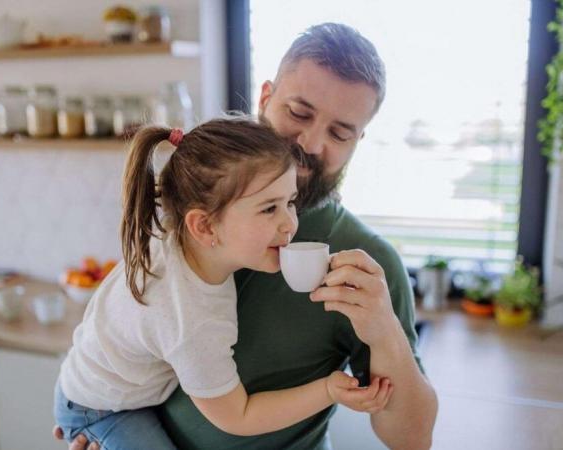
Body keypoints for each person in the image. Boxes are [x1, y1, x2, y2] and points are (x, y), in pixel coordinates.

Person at [58, 22, 438, 450]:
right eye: (299, 113)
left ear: (358, 141)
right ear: (265, 98)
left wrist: (383, 330)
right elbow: (122, 323)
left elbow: (411, 440)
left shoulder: (368, 264)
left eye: (340, 132)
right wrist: (99, 414)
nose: (311, 144)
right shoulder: (192, 203)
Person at [53, 118, 393, 450]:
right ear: (204, 227)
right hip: (100, 411)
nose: (290, 223)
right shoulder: (191, 319)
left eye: (289, 202)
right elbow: (239, 416)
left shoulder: (178, 238)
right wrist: (328, 391)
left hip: (90, 385)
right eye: (268, 209)